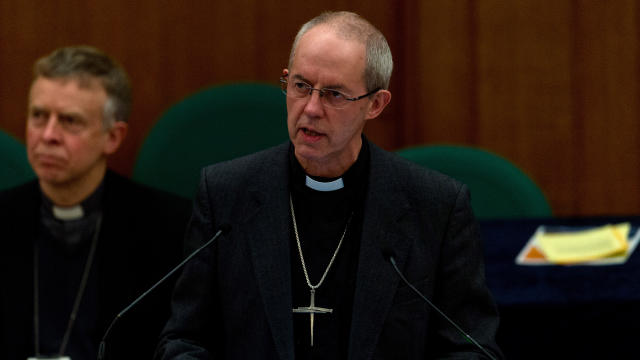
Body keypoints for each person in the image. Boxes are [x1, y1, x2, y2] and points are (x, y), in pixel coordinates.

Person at [156, 11, 503, 359]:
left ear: (375, 104)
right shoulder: (225, 195)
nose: (310, 109)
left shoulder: (436, 207)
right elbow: (183, 341)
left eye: (334, 94)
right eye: (301, 86)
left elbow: (472, 349)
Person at [0, 46, 191, 359]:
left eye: (69, 121)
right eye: (38, 116)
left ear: (112, 137)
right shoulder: (6, 215)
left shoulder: (167, 228)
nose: (47, 135)